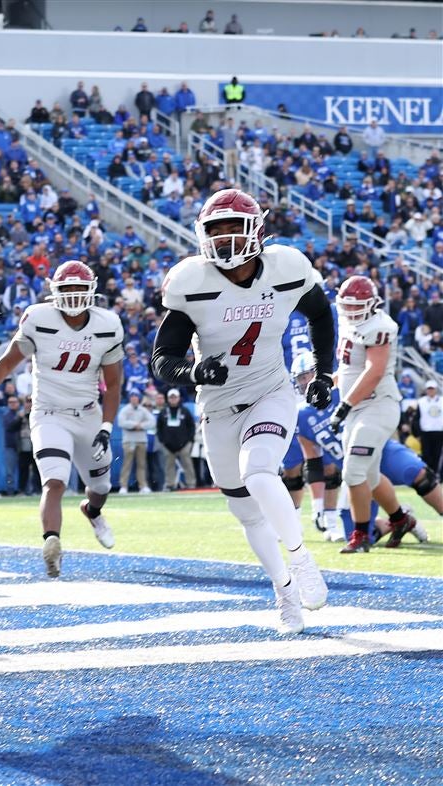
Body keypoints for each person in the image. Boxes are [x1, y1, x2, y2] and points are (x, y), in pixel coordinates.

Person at [151, 188, 332, 635]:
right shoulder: (191, 281)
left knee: (259, 472)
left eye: (236, 227)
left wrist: (324, 373)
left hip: (270, 391)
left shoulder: (287, 267)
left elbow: (321, 316)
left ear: (258, 230)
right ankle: (285, 589)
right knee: (248, 515)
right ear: (202, 235)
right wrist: (194, 371)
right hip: (218, 407)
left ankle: (300, 556)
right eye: (217, 229)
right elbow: (163, 357)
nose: (227, 237)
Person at [0, 260, 121, 577]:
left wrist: (106, 426)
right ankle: (52, 542)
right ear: (54, 292)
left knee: (100, 486)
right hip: (48, 414)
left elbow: (114, 383)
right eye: (67, 288)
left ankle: (92, 511)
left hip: (88, 414)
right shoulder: (38, 318)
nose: (74, 295)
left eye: (79, 288)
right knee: (54, 481)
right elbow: (7, 364)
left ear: (91, 291)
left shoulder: (108, 324)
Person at [288, 352, 430, 546]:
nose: (306, 381)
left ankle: (398, 515)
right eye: (301, 377)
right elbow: (313, 462)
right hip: (349, 472)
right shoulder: (301, 414)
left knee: (420, 477)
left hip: (373, 453)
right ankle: (403, 519)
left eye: (309, 375)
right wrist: (317, 506)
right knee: (358, 533)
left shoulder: (342, 390)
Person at [330, 276, 403, 553]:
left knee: (353, 472)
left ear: (373, 304)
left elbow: (374, 372)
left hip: (377, 406)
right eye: (347, 306)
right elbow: (351, 369)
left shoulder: (379, 326)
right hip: (358, 409)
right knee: (369, 479)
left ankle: (361, 535)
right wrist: (330, 382)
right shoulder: (349, 323)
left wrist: (344, 405)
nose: (351, 311)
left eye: (357, 306)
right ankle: (400, 518)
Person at [157, 389, 197, 490]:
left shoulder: (185, 411)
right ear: (168, 399)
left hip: (184, 444)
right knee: (169, 466)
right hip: (167, 445)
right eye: (171, 397)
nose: (173, 399)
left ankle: (191, 483)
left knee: (187, 464)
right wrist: (162, 441)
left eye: (175, 397)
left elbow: (191, 426)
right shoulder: (163, 412)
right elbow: (159, 428)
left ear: (179, 398)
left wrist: (189, 441)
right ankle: (170, 484)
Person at [117, 390, 152, 493]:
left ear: (139, 398)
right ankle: (123, 486)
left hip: (141, 440)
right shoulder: (125, 410)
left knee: (141, 464)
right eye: (132, 396)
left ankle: (143, 486)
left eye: (136, 396)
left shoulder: (143, 410)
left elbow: (151, 422)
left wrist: (141, 426)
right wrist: (134, 425)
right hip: (129, 440)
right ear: (129, 398)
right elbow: (121, 422)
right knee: (127, 464)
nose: (134, 398)